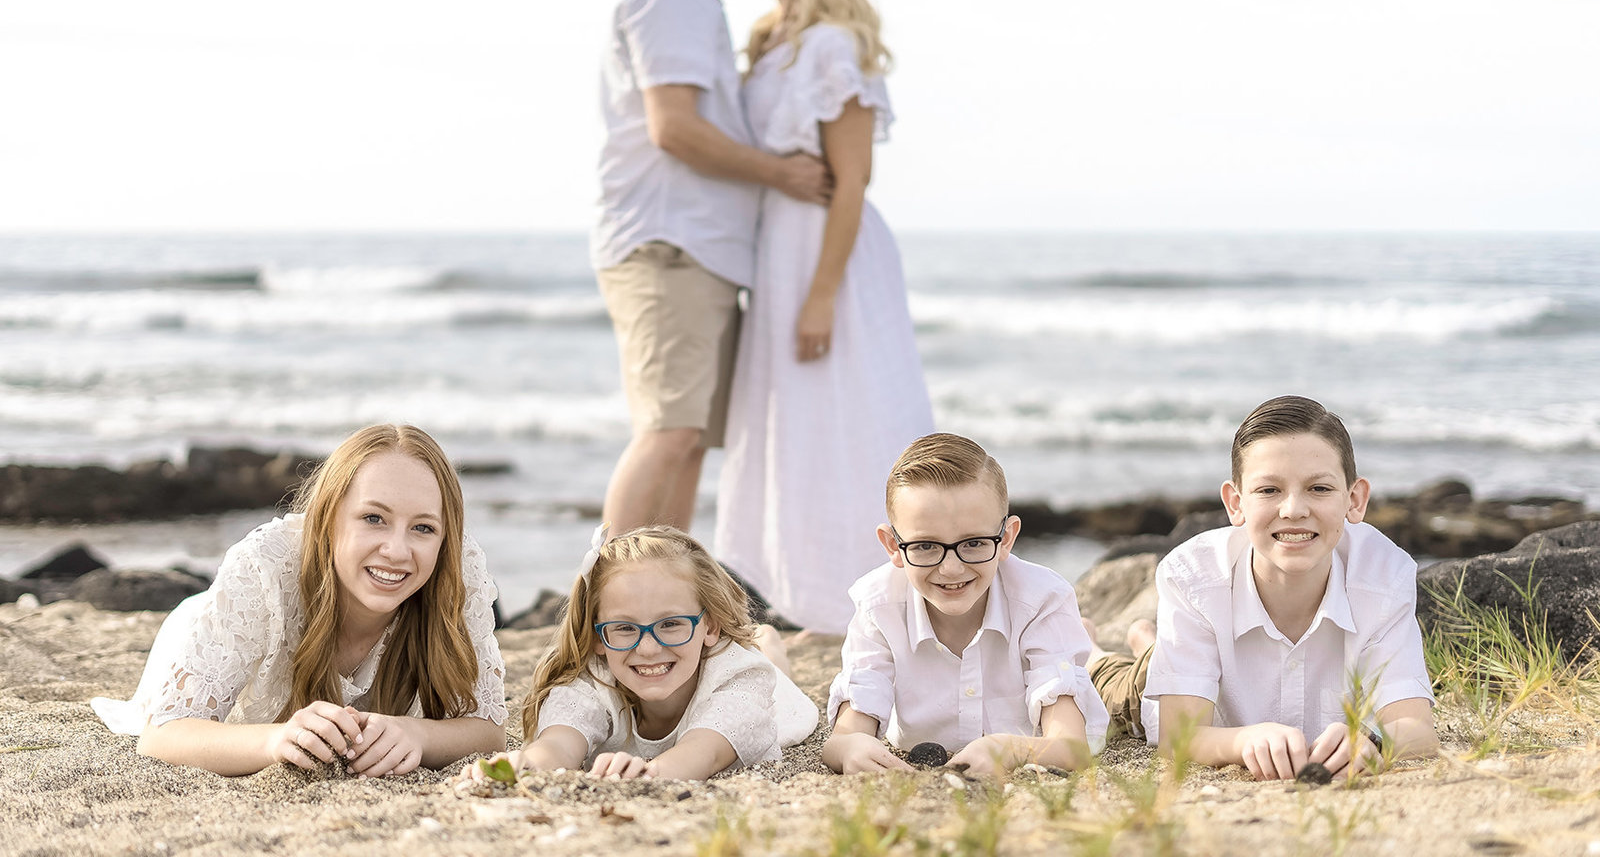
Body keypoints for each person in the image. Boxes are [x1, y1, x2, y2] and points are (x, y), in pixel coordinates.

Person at [594, 0, 832, 539]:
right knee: (669, 431)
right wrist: (780, 172)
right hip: (670, 243)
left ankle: (659, 592)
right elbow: (674, 129)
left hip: (698, 248)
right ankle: (599, 598)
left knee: (690, 436)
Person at [714, 0, 934, 633]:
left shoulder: (835, 45)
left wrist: (821, 295)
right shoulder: (771, 39)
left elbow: (852, 181)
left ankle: (873, 590)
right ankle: (796, 591)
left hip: (827, 251)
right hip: (779, 249)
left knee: (851, 412)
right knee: (790, 423)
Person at [91, 424, 507, 776]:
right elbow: (163, 735)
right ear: (328, 518)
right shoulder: (262, 572)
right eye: (373, 518)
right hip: (214, 625)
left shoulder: (455, 571)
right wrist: (276, 739)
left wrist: (419, 734)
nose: (398, 551)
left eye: (423, 528)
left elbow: (489, 729)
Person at [1087, 395, 1439, 780]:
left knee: (1165, 655)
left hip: (1201, 660)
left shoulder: (1384, 577)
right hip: (1165, 692)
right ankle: (1099, 649)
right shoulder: (1195, 578)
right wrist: (1243, 741)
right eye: (1269, 490)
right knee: (1114, 687)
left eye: (1319, 489)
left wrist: (1373, 740)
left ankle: (1147, 640)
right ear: (1235, 503)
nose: (1293, 509)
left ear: (1354, 500)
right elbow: (1178, 738)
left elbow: (1418, 728)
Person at [822, 434, 1108, 776]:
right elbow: (843, 737)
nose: (951, 569)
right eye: (926, 546)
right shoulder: (878, 606)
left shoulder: (1041, 600)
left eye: (973, 543)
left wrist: (1007, 749)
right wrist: (852, 745)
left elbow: (1071, 747)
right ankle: (1087, 641)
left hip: (1055, 652)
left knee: (1107, 678)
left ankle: (1092, 647)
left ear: (1006, 539)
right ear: (892, 546)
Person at [464, 525, 817, 782]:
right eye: (625, 628)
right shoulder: (592, 677)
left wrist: (651, 773)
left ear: (710, 626)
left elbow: (703, 752)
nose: (647, 648)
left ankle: (766, 642)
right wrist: (526, 766)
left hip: (769, 698)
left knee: (770, 666)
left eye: (671, 624)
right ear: (597, 635)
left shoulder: (741, 679)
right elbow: (558, 742)